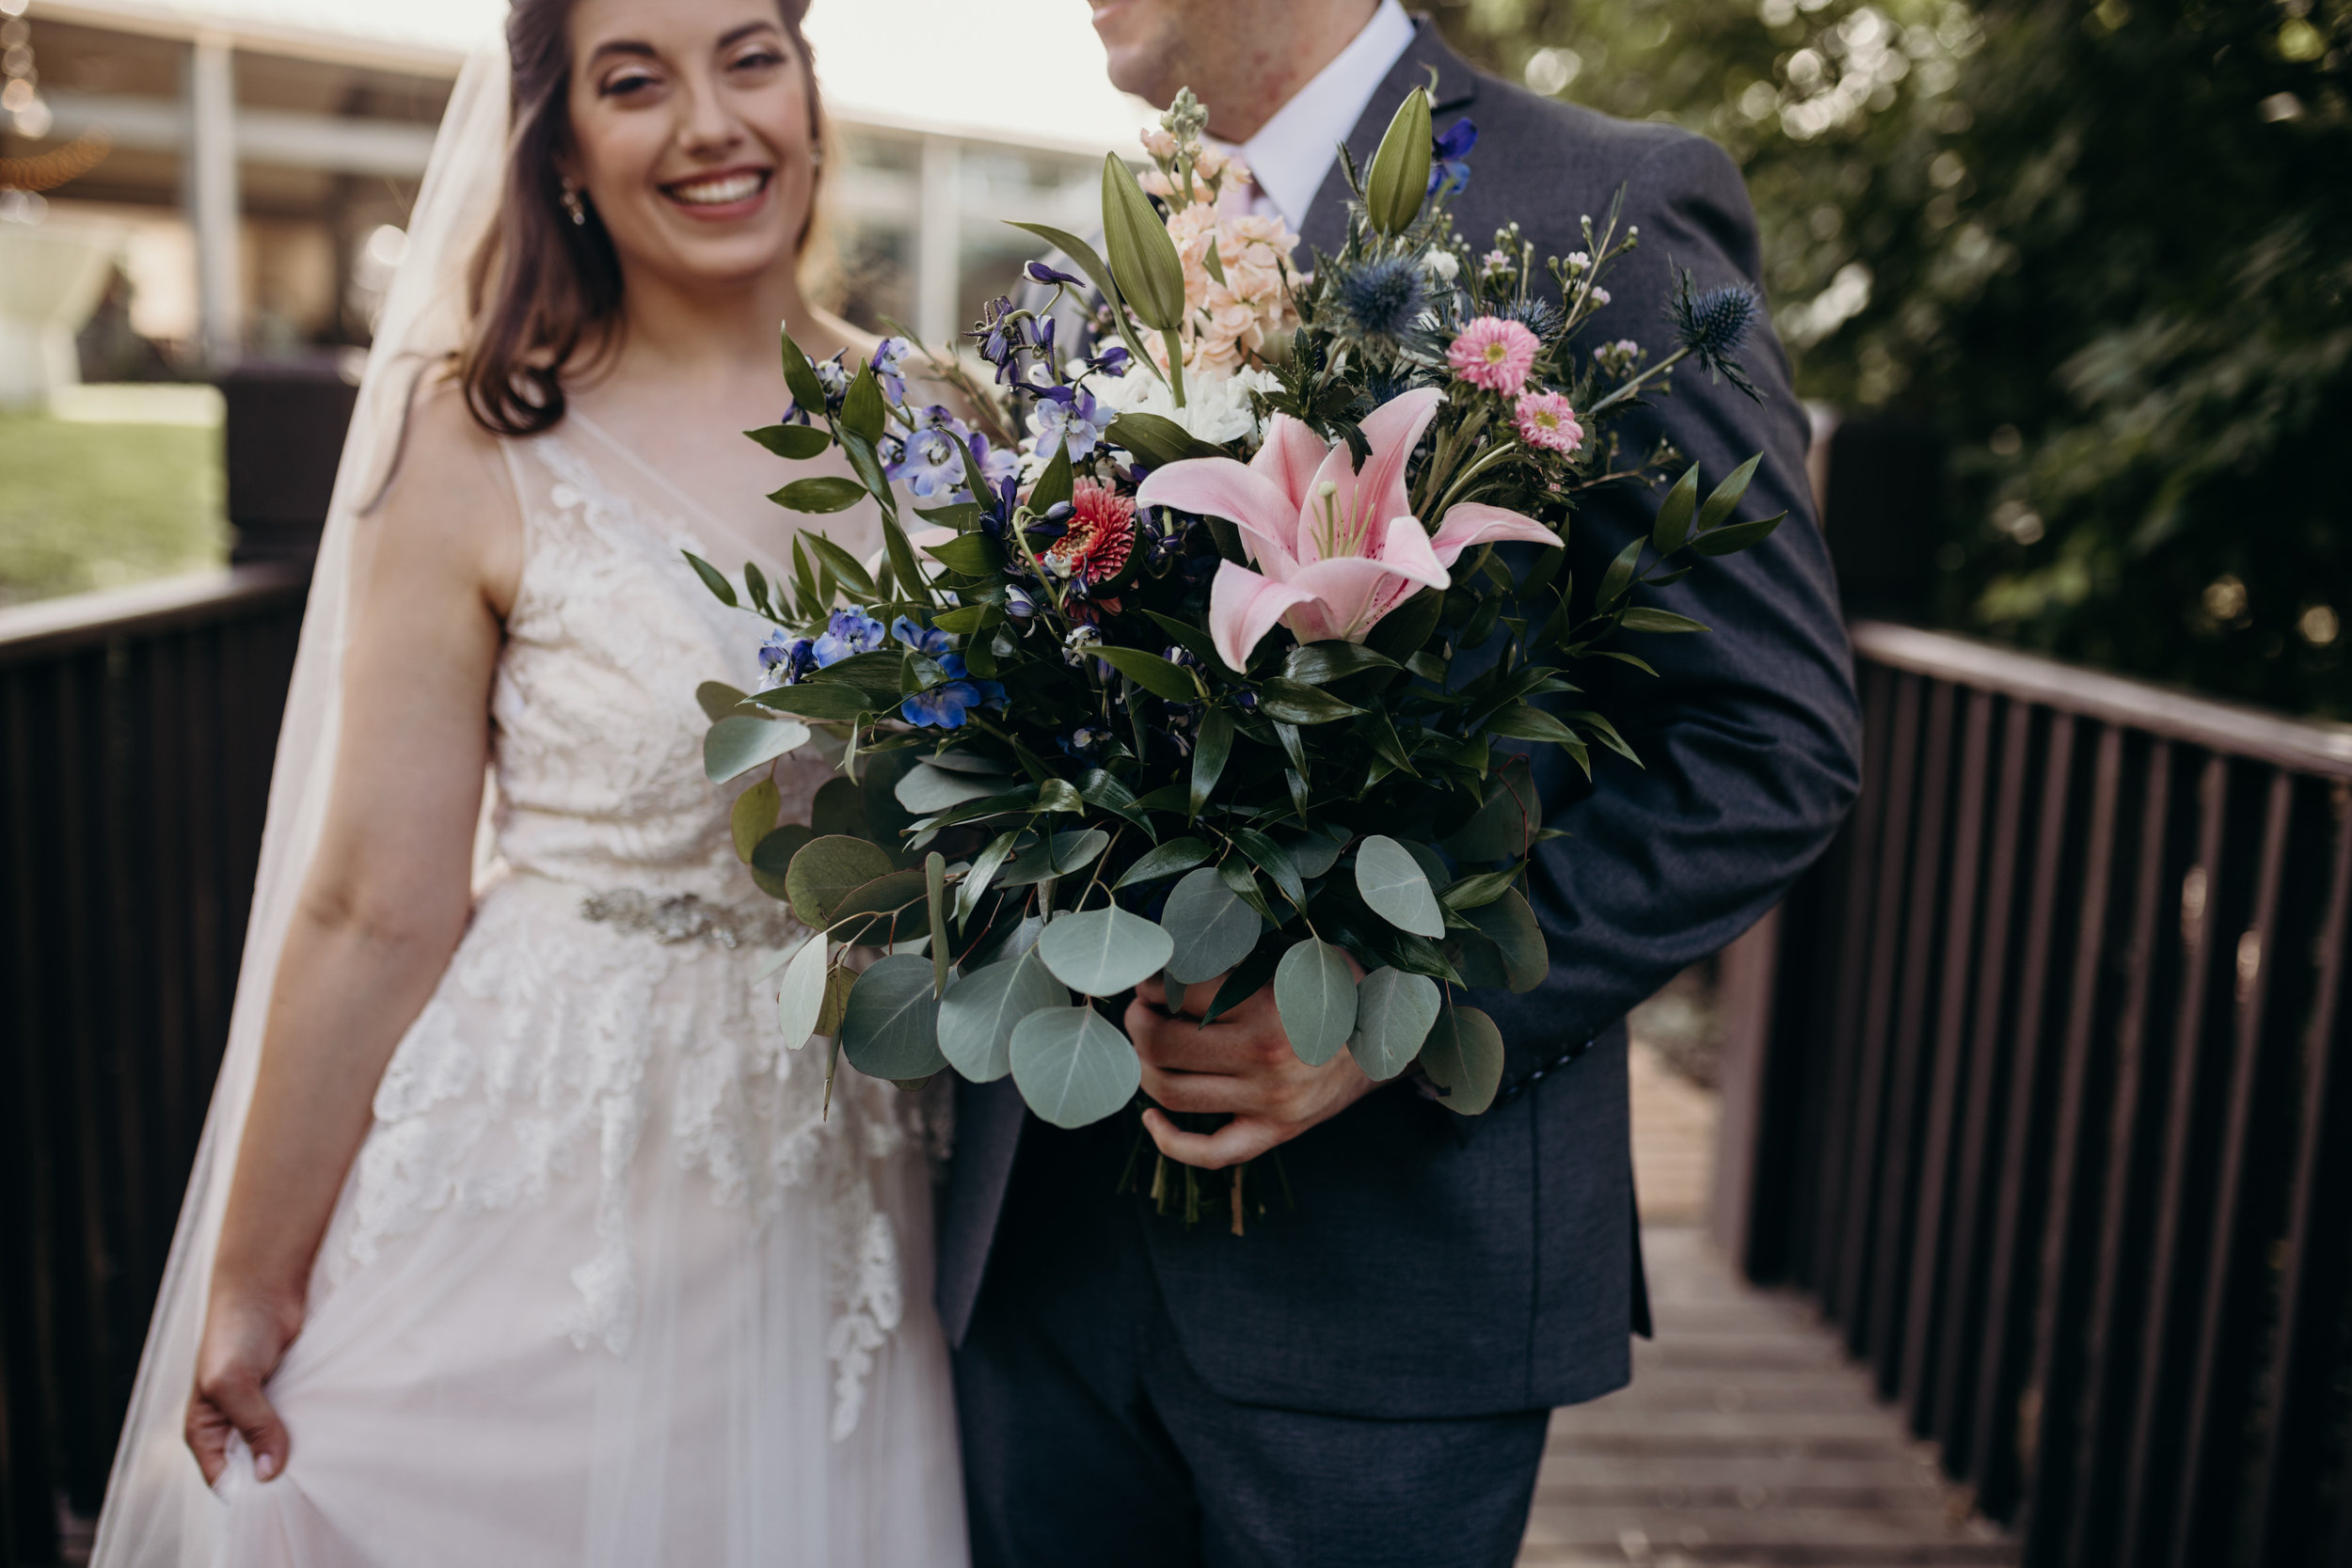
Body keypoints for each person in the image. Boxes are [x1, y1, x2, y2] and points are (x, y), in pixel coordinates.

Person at [941, 3, 1864, 1564]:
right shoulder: (1116, 261)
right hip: (1042, 1264)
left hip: (1384, 1306)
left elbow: (1771, 743)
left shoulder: (1616, 212)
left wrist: (1396, 1016)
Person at [89, 2, 966, 1563]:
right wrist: (255, 1277)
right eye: (636, 82)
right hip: (556, 1155)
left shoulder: (954, 429)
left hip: (851, 1163)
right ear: (560, 146)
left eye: (749, 56)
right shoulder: (475, 439)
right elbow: (373, 905)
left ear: (810, 91)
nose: (710, 122)